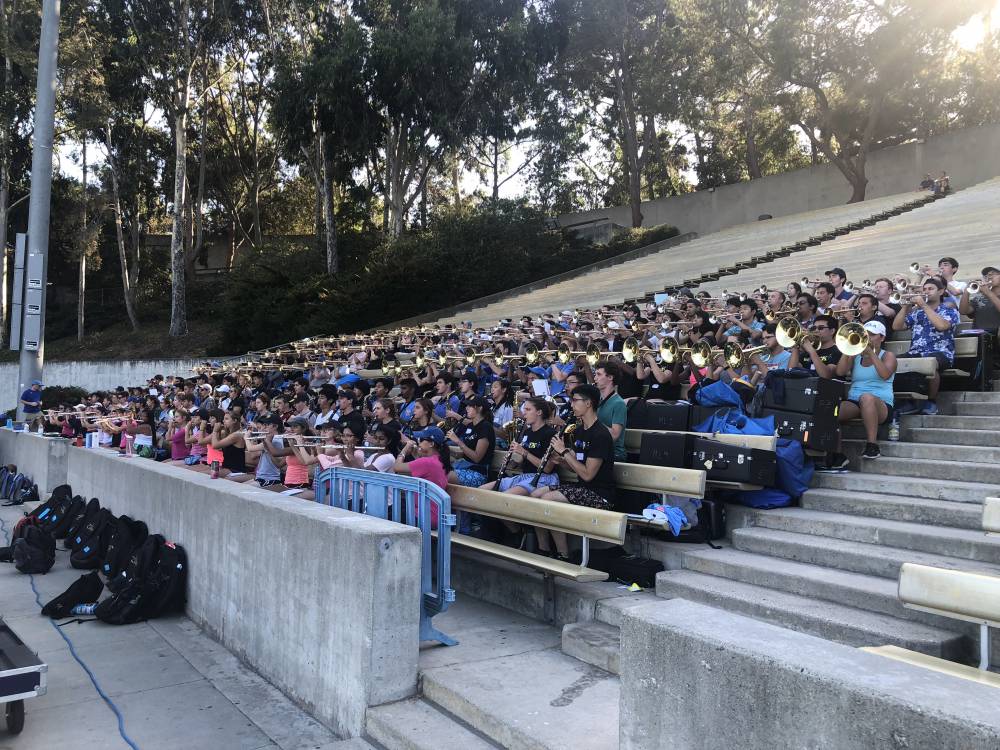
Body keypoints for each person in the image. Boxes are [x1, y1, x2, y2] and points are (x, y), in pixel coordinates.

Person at [530, 384, 616, 560]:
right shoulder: (578, 431)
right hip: (583, 488)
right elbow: (577, 466)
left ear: (589, 403)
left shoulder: (600, 434)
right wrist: (560, 460)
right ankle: (544, 549)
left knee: (548, 499)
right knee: (535, 495)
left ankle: (563, 555)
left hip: (600, 494)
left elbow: (587, 474)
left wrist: (564, 452)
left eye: (575, 400)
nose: (571, 405)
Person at [893, 277, 959, 415]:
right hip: (916, 351)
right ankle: (908, 401)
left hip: (941, 352)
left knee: (929, 363)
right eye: (924, 289)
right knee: (892, 362)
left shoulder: (949, 310)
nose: (926, 292)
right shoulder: (917, 312)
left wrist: (923, 305)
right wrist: (905, 307)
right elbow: (897, 326)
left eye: (930, 289)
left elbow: (942, 326)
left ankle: (931, 401)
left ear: (941, 292)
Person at [835, 320, 897, 460]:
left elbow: (885, 374)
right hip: (855, 401)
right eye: (865, 334)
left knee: (866, 398)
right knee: (832, 409)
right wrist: (848, 349)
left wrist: (871, 353)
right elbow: (840, 371)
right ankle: (837, 455)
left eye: (872, 335)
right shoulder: (856, 356)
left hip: (881, 403)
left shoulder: (888, 356)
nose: (868, 337)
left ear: (882, 338)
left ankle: (872, 445)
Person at [446, 395, 495, 487]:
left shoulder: (486, 427)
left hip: (478, 473)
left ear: (479, 408)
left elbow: (477, 458)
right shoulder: (470, 426)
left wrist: (458, 441)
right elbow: (466, 453)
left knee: (442, 475)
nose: (467, 408)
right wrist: (447, 450)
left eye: (470, 406)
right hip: (464, 467)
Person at [593, 360, 627, 460]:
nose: (595, 378)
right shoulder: (597, 400)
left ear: (610, 377)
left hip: (614, 453)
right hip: (598, 449)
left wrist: (592, 419)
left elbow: (614, 436)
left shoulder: (619, 403)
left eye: (599, 374)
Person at [960, 267, 1000, 332]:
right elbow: (963, 311)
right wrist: (966, 291)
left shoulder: (987, 293)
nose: (989, 277)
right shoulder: (979, 298)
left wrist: (988, 292)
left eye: (992, 274)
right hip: (978, 336)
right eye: (986, 276)